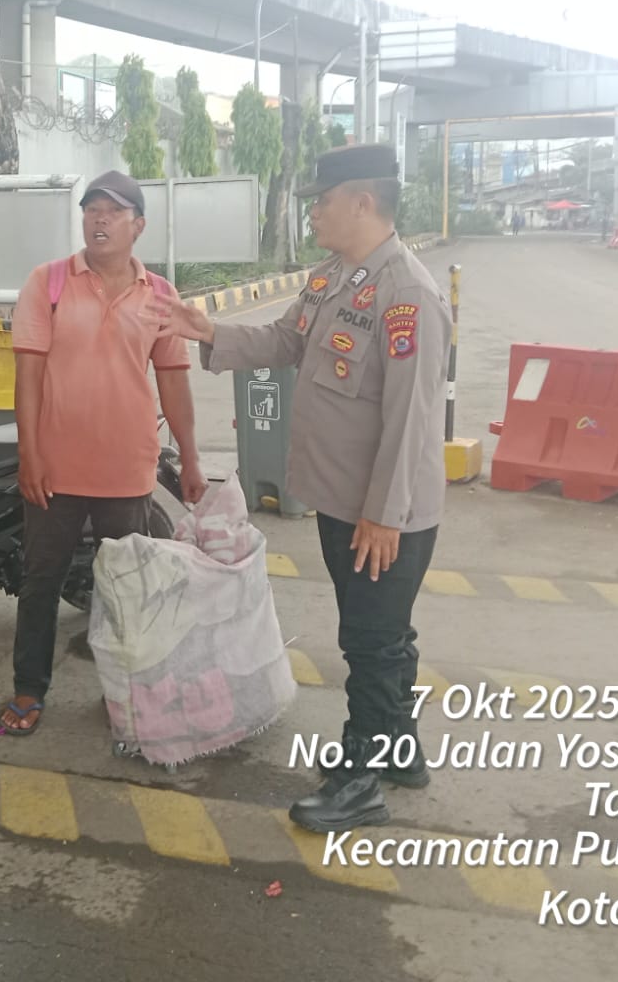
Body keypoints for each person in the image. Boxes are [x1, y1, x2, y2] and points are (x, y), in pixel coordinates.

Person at [153, 144, 450, 833]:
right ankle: (399, 750)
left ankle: (359, 781)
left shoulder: (407, 295)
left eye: (323, 201)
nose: (313, 212)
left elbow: (412, 420)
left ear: (363, 202)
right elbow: (286, 342)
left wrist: (384, 517)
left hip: (384, 513)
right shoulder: (332, 278)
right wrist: (210, 330)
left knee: (370, 642)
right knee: (383, 632)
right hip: (340, 499)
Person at [0, 170, 208, 735]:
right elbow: (28, 378)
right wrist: (30, 453)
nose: (99, 219)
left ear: (138, 226)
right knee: (40, 581)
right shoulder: (47, 283)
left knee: (127, 588)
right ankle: (29, 689)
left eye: (113, 212)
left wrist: (190, 458)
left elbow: (173, 381)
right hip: (55, 469)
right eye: (92, 209)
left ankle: (128, 692)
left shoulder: (159, 294)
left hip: (127, 468)